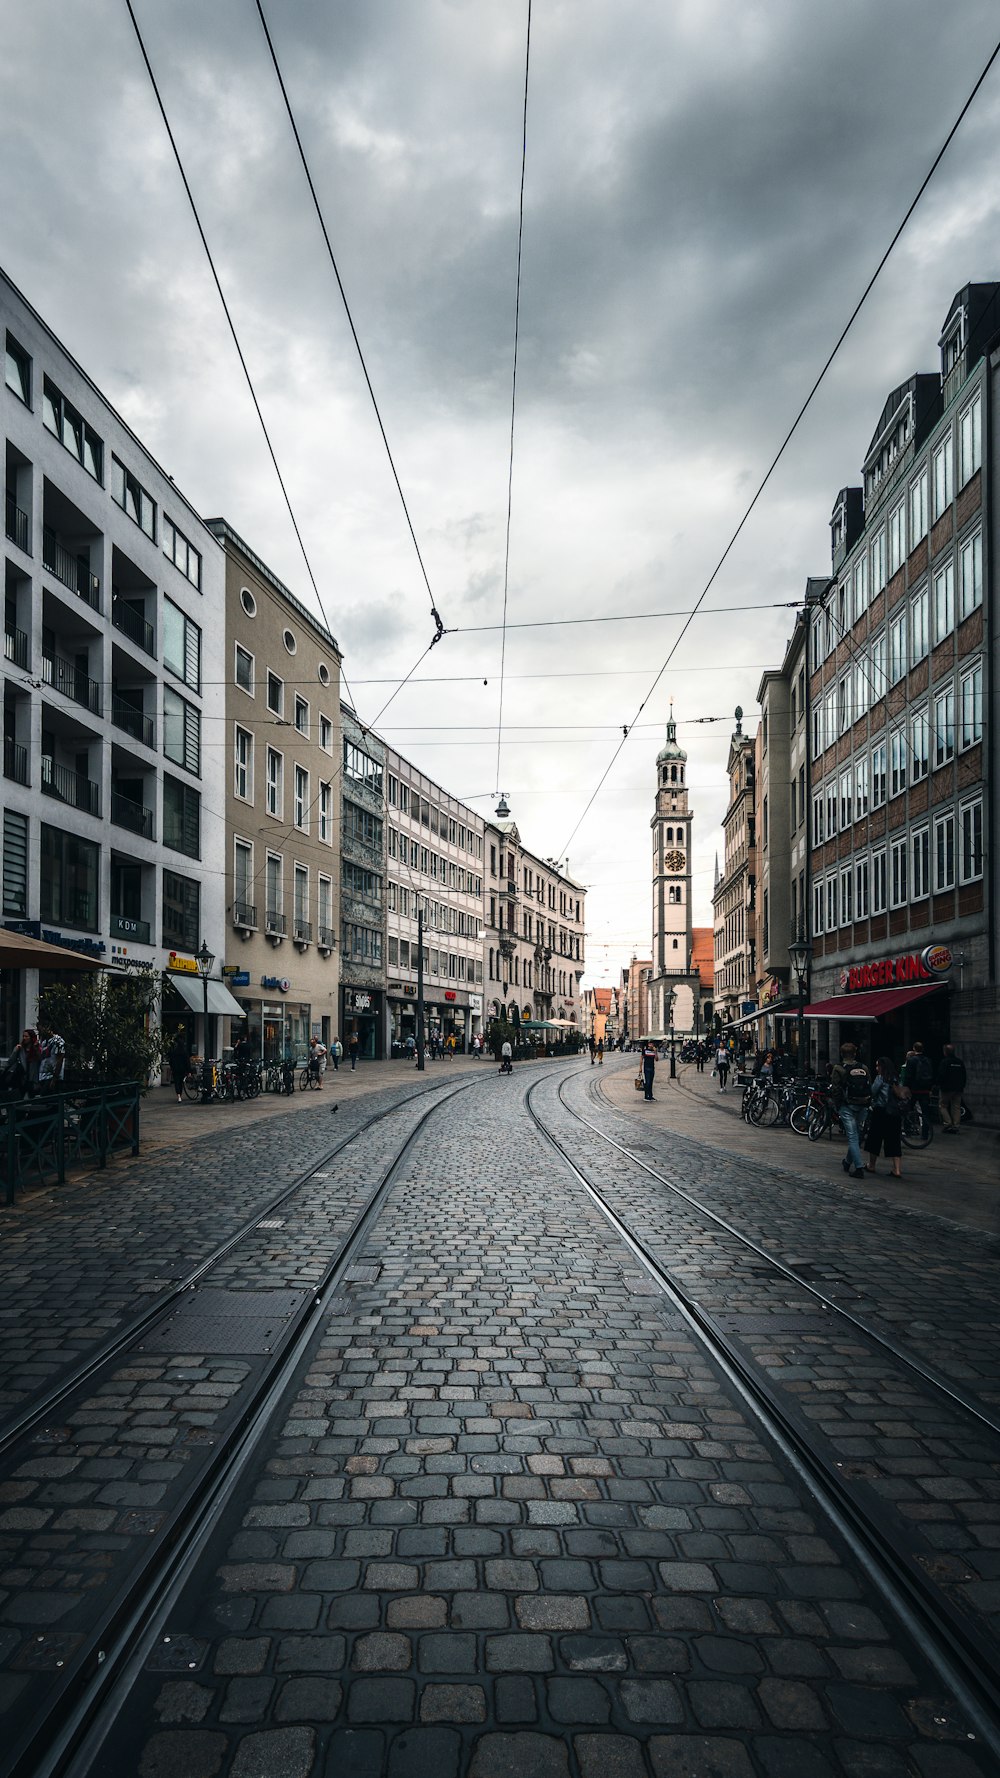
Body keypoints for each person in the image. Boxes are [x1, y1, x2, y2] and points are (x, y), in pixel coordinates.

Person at [830, 1041, 870, 1179]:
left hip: (847, 1106)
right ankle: (847, 1162)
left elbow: (835, 1088)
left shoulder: (838, 1068)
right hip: (863, 1105)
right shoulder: (864, 1067)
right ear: (855, 1053)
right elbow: (869, 1085)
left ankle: (858, 1167)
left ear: (841, 1054)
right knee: (856, 1135)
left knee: (853, 1136)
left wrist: (837, 1105)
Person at [865, 1056, 904, 1179]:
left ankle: (871, 1165)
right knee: (894, 1140)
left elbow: (873, 1091)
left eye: (878, 1066)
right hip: (895, 1113)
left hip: (881, 1111)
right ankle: (897, 1169)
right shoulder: (896, 1078)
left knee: (875, 1138)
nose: (876, 1068)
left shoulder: (881, 1078)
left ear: (882, 1067)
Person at [903, 1042, 934, 1136]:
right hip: (925, 1090)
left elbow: (908, 1076)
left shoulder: (911, 1060)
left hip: (914, 1090)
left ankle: (908, 1130)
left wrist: (906, 1087)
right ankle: (925, 1133)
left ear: (914, 1048)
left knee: (908, 1110)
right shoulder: (928, 1060)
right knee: (925, 1112)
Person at [2, 1028, 40, 1099]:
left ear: (31, 1038)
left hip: (33, 1079)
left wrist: (36, 1048)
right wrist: (15, 1051)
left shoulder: (36, 1049)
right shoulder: (20, 1049)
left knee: (33, 1099)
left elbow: (40, 1060)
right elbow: (10, 1062)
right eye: (23, 1036)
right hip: (21, 1079)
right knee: (17, 1099)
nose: (24, 1038)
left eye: (26, 1036)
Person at [937, 1044, 966, 1135]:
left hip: (947, 1088)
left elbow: (941, 1075)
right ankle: (956, 1126)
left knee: (942, 1105)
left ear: (945, 1052)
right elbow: (964, 1075)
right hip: (958, 1088)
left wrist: (938, 1084)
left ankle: (947, 1123)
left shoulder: (945, 1062)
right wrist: (962, 1086)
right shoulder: (960, 1062)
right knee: (956, 1107)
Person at [36, 1022, 65, 1094]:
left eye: (41, 1030)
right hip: (43, 1076)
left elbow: (60, 1059)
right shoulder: (44, 1042)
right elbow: (41, 1058)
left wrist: (54, 1078)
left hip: (52, 1076)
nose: (40, 1032)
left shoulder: (58, 1041)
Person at [168, 1028, 191, 1103]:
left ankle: (178, 1095)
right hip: (182, 1069)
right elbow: (187, 1061)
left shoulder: (173, 1051)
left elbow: (170, 1060)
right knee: (181, 1082)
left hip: (175, 1069)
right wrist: (189, 1071)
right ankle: (180, 1095)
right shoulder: (184, 1052)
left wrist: (172, 1067)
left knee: (177, 1082)